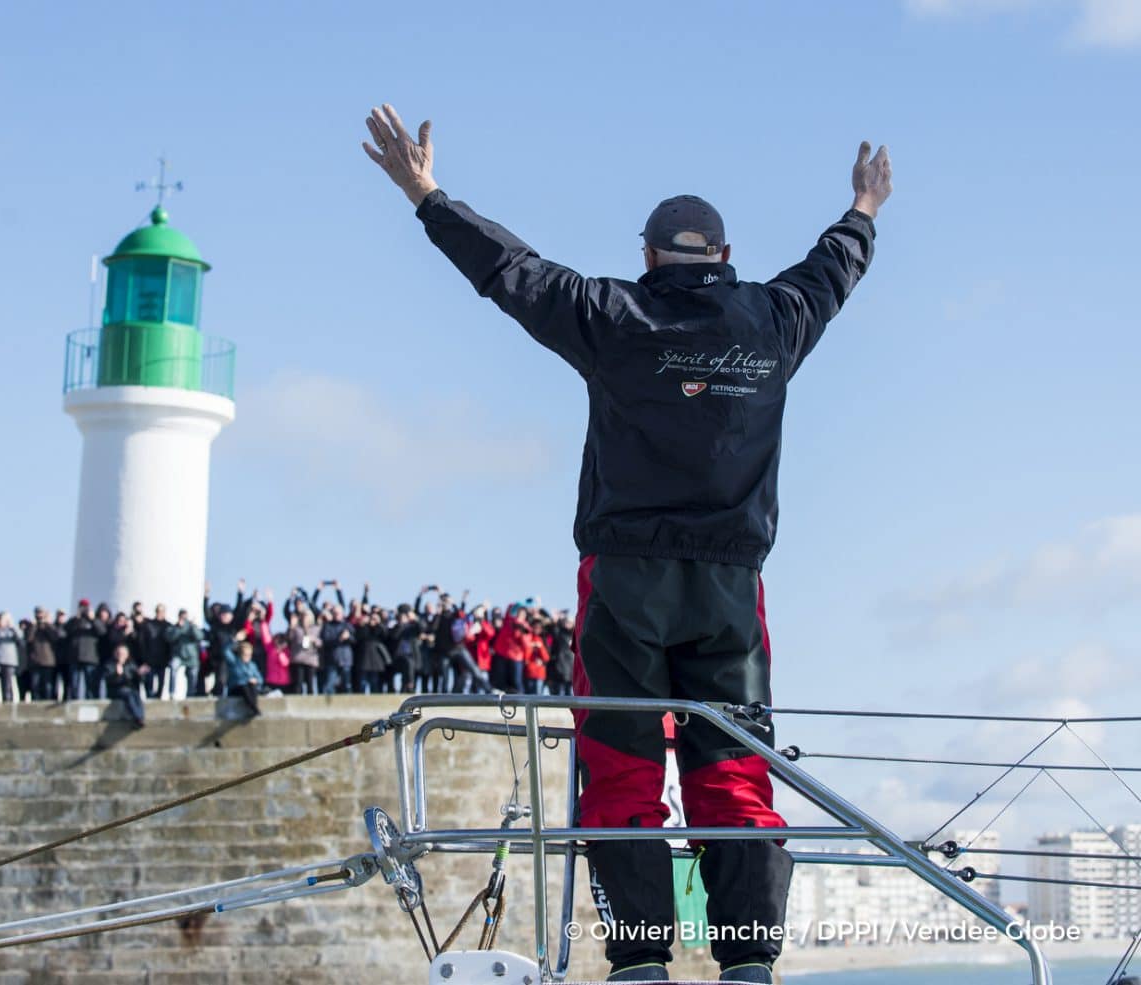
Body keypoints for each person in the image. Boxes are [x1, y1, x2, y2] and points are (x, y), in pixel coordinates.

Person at [362, 103, 892, 984]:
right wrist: (864, 209)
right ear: (722, 258)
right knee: (734, 770)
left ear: (648, 256)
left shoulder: (613, 319)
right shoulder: (774, 321)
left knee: (624, 768)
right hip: (730, 589)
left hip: (626, 583)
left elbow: (511, 272)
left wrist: (426, 194)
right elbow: (831, 271)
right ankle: (749, 963)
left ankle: (642, 963)